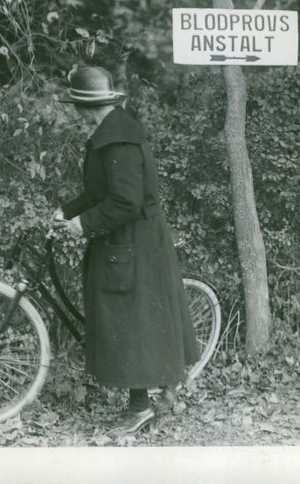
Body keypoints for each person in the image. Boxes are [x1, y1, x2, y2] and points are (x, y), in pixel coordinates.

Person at [51, 66, 199, 436]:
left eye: (76, 105)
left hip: (135, 245)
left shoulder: (117, 140)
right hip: (128, 241)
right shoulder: (112, 133)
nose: (75, 112)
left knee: (132, 324)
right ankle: (162, 391)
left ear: (87, 105)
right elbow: (102, 193)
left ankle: (140, 408)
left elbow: (125, 202)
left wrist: (82, 224)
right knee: (136, 321)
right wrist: (67, 211)